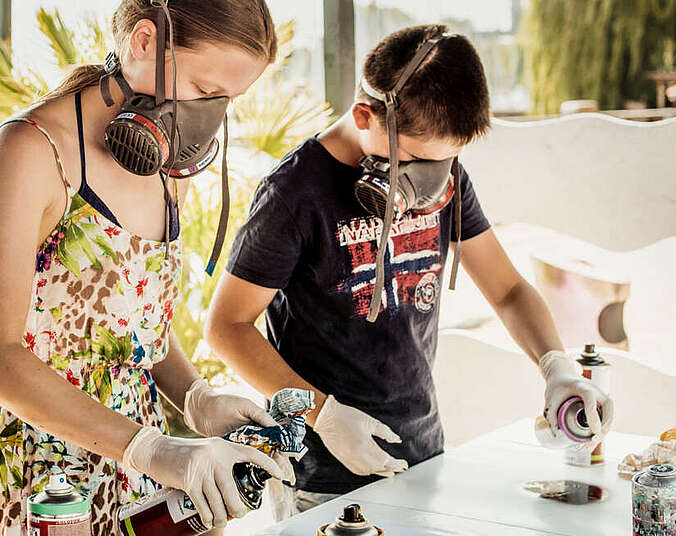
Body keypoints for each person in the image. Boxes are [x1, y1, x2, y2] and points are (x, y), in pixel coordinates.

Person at [204, 24, 614, 518]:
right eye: (418, 161)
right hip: (322, 479)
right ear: (365, 117)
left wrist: (557, 368)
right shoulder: (294, 195)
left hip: (424, 458)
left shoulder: (446, 176)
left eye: (447, 162)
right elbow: (227, 328)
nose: (432, 183)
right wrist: (325, 416)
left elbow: (507, 290)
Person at [0, 1, 285, 534]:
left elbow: (133, 323)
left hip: (139, 482)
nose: (211, 115)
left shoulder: (162, 162)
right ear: (143, 42)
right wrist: (149, 449)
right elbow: (0, 355)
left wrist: (195, 397)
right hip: (45, 485)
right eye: (204, 90)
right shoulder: (31, 152)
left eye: (228, 100)